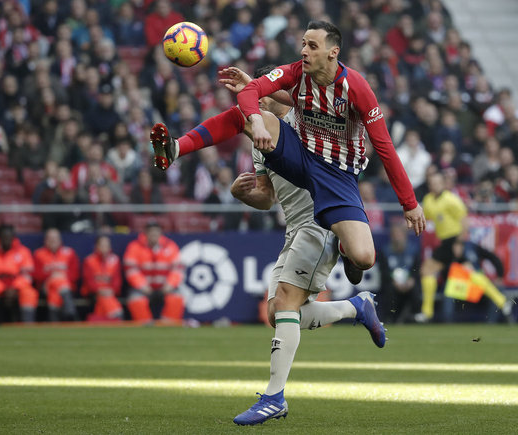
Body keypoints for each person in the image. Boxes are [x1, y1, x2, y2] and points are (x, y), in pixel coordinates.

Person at [151, 20, 425, 287]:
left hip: (338, 175)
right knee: (246, 115)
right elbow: (252, 91)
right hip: (300, 154)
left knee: (364, 258)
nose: (304, 51)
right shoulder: (295, 72)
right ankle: (177, 147)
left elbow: (385, 148)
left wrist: (409, 203)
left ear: (333, 52)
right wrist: (257, 120)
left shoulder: (357, 88)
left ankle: (344, 248)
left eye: (312, 46)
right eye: (303, 44)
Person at [225, 65, 386, 425]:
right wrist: (240, 194)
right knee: (277, 313)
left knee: (285, 300)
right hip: (294, 229)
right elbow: (266, 197)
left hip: (321, 219)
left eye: (261, 94)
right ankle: (356, 307)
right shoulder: (260, 136)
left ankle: (274, 397)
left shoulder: (306, 122)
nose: (257, 104)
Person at [417, 171, 467, 322]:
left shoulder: (451, 199)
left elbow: (464, 220)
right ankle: (502, 302)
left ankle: (427, 312)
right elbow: (426, 216)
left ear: (444, 184)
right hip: (445, 242)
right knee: (470, 273)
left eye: (438, 183)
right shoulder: (428, 200)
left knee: (428, 270)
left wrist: (459, 243)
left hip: (454, 240)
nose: (435, 185)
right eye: (432, 183)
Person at [123, 221, 185, 323]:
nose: (154, 235)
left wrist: (169, 286)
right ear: (146, 234)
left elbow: (177, 269)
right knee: (136, 300)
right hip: (142, 288)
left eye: (156, 232)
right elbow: (131, 270)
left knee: (176, 298)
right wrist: (143, 286)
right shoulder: (135, 247)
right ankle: (145, 326)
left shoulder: (170, 246)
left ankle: (169, 326)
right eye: (151, 232)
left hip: (165, 287)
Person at [0, 224, 39, 325]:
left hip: (17, 286)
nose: (7, 239)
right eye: (4, 237)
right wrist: (2, 288)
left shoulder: (23, 251)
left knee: (29, 293)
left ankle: (28, 325)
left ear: (13, 237)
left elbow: (28, 275)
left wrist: (15, 287)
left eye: (9, 237)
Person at [378, 219, 422, 324]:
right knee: (389, 289)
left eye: (399, 235)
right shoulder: (385, 251)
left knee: (416, 288)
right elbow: (384, 271)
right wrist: (394, 281)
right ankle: (390, 317)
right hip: (393, 283)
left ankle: (416, 315)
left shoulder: (413, 250)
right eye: (394, 235)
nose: (397, 238)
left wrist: (411, 280)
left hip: (408, 282)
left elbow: (416, 269)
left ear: (404, 235)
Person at [33, 228, 80, 321]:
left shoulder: (69, 252)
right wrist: (51, 276)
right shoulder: (39, 254)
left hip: (66, 286)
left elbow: (75, 274)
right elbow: (36, 275)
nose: (53, 241)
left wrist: (62, 276)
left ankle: (54, 320)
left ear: (60, 240)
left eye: (55, 238)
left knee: (56, 290)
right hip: (46, 286)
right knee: (57, 281)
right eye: (50, 238)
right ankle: (70, 312)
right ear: (45, 240)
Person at [81, 235, 124, 321]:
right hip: (93, 293)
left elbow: (117, 281)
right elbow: (89, 281)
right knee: (104, 298)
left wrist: (112, 290)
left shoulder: (115, 260)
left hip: (110, 293)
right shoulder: (89, 260)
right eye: (102, 245)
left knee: (105, 300)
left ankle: (102, 320)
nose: (105, 248)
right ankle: (116, 314)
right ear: (96, 247)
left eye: (107, 245)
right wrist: (99, 290)